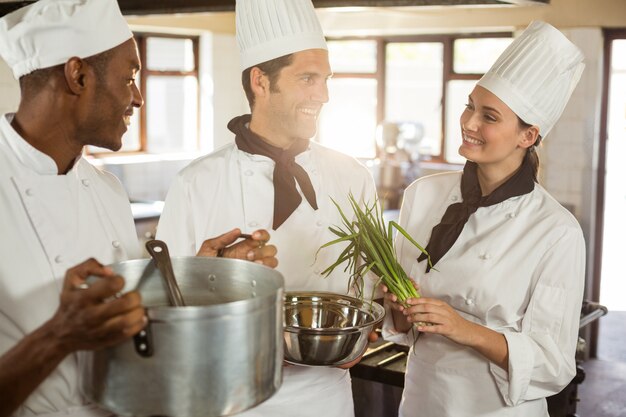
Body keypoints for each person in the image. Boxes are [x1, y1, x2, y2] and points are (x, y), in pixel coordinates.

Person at [0, 1, 276, 417]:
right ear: (77, 76)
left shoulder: (106, 189)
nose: (140, 98)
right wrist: (59, 336)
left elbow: (129, 317)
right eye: (130, 77)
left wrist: (200, 273)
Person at [155, 0, 378, 415]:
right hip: (230, 395)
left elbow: (365, 286)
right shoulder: (196, 182)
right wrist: (214, 280)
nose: (324, 95)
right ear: (260, 81)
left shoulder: (352, 176)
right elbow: (164, 309)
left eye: (326, 79)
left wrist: (366, 335)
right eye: (308, 78)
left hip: (325, 395)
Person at [382, 21, 586, 417]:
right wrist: (398, 307)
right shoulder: (422, 195)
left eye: (489, 116)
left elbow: (553, 363)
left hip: (496, 409)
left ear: (527, 136)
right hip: (422, 398)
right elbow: (404, 327)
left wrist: (463, 328)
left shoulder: (556, 231)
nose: (469, 123)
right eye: (470, 106)